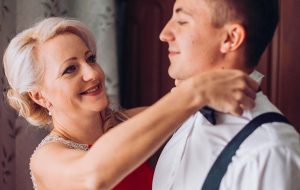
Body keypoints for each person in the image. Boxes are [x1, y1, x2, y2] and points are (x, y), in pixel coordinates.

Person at [2, 17, 258, 190]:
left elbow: (204, 106)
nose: (92, 74)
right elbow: (93, 176)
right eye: (70, 69)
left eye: (90, 59)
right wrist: (192, 92)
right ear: (38, 96)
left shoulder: (131, 122)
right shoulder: (46, 159)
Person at [153, 0, 300, 189]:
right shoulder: (188, 115)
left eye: (182, 21)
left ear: (231, 38)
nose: (164, 34)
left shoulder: (270, 152)